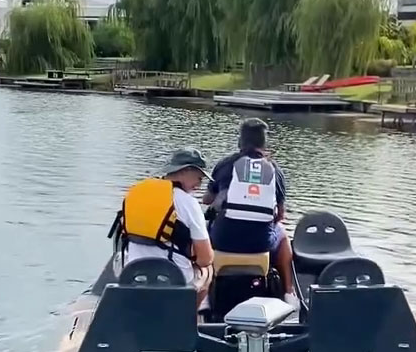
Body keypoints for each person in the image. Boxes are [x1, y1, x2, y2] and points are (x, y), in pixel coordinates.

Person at [203, 118, 299, 309]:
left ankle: (204, 294)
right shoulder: (275, 170)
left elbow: (207, 199)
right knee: (283, 236)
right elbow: (280, 215)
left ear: (240, 141)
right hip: (260, 243)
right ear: (265, 144)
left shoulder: (225, 164)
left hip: (223, 240)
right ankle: (289, 292)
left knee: (201, 232)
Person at [121, 148, 214, 307]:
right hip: (173, 279)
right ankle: (187, 317)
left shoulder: (136, 192)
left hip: (133, 275)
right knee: (208, 270)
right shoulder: (188, 202)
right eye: (199, 178)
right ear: (186, 170)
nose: (199, 185)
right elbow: (205, 259)